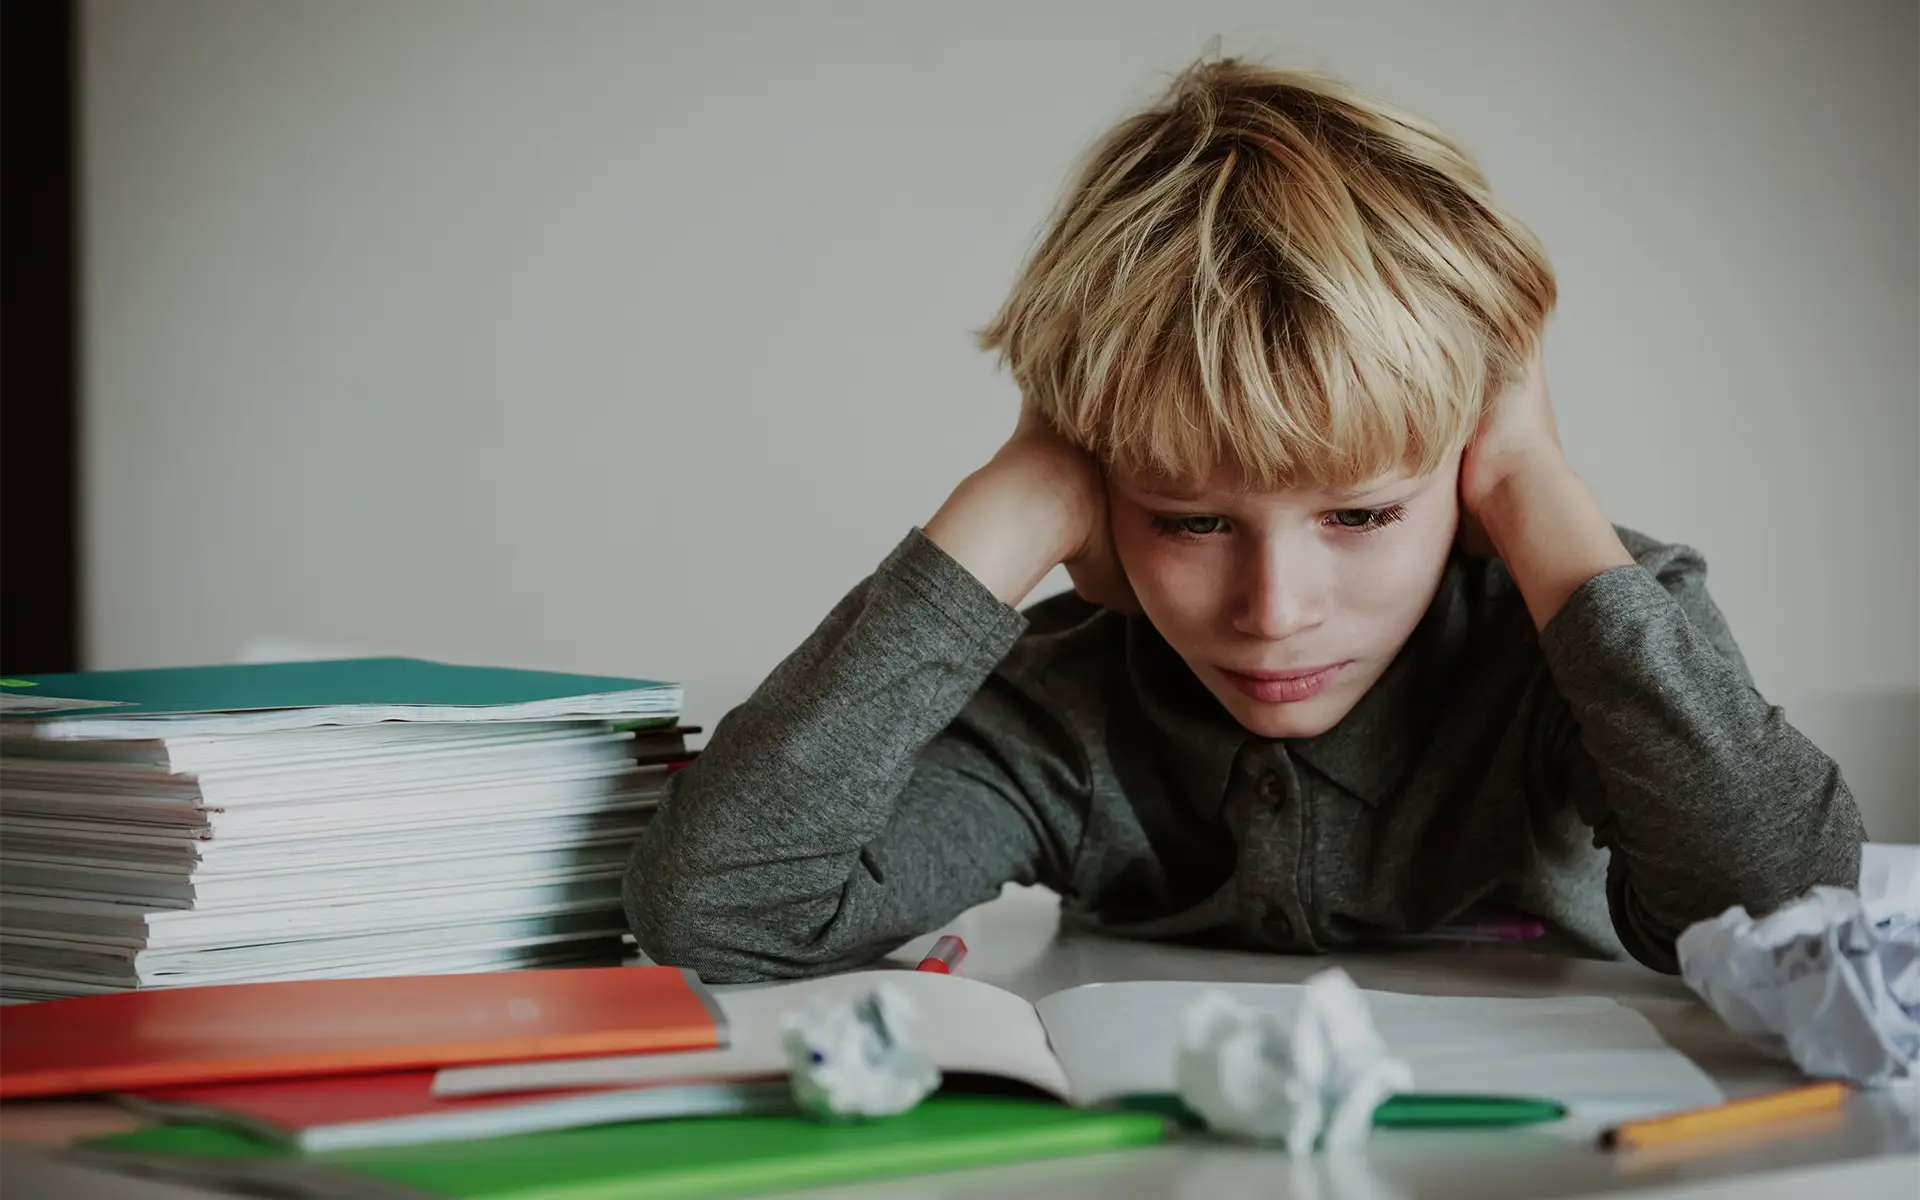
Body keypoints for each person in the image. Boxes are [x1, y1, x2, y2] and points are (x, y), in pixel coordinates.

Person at [625, 58, 1863, 983]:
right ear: (1101, 508)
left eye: (1365, 512)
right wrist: (1011, 510)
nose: (1276, 614)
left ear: (1472, 472)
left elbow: (1793, 913)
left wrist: (1540, 493)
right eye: (1191, 522)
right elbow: (720, 912)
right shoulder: (1061, 719)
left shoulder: (1582, 641)